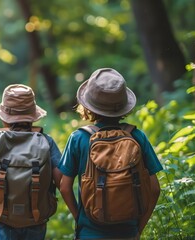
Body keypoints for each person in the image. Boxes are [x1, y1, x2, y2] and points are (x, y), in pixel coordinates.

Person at [58, 68, 162, 239]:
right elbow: (155, 189)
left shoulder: (78, 138)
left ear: (88, 106)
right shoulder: (137, 136)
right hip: (128, 232)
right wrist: (138, 229)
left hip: (90, 233)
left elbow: (64, 186)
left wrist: (80, 219)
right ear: (123, 105)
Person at [0, 84, 63, 240]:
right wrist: (77, 214)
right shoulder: (47, 142)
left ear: (4, 117)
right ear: (33, 116)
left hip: (2, 219)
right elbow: (61, 180)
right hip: (36, 219)